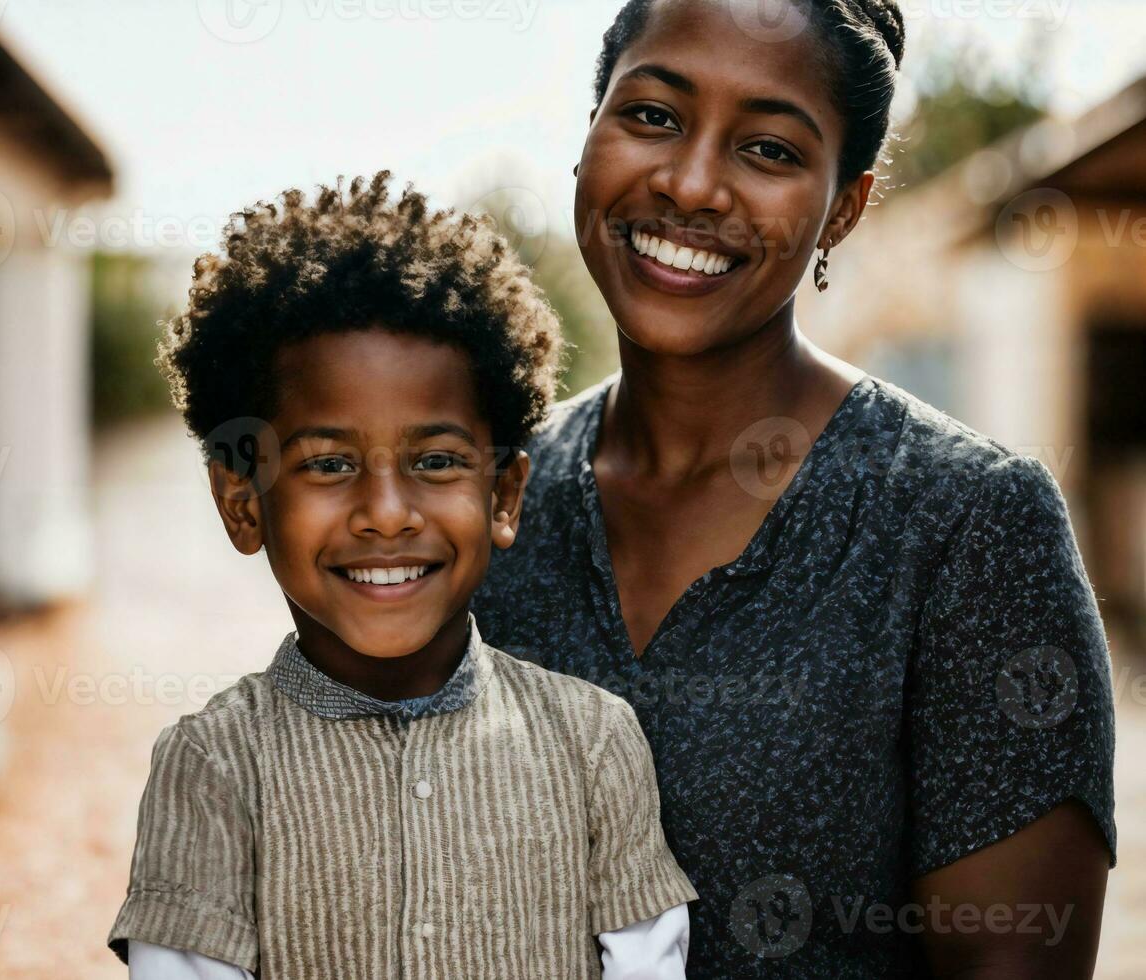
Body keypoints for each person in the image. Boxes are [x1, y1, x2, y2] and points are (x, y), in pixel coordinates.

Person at [470, 1, 1116, 976]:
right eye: (649, 116)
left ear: (842, 208)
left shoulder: (966, 526)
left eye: (767, 149)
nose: (688, 183)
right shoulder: (483, 505)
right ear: (586, 135)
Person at [106, 172, 698, 978]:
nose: (386, 512)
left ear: (504, 494)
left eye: (435, 460)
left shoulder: (593, 744)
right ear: (242, 502)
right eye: (328, 462)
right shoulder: (214, 767)